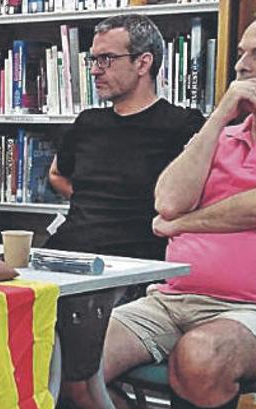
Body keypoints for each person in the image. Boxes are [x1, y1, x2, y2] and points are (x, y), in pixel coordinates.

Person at [65, 7, 256, 409]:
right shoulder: (224, 134)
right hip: (177, 297)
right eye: (240, 56)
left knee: (201, 356)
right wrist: (220, 116)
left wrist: (183, 224)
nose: (242, 67)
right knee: (68, 356)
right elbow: (166, 199)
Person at [46, 14, 205, 260]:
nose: (94, 70)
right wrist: (94, 204)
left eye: (106, 59)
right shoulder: (88, 122)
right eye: (93, 59)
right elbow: (57, 174)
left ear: (143, 63)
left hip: (133, 259)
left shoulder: (182, 125)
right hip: (66, 250)